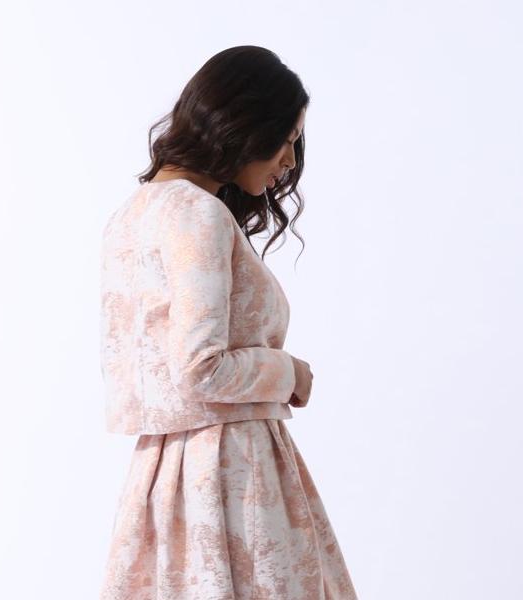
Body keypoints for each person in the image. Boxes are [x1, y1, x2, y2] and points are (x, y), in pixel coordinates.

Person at [98, 45, 358, 600]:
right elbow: (201, 369)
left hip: (163, 478)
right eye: (287, 139)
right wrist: (288, 372)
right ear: (244, 122)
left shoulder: (130, 215)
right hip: (231, 472)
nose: (290, 161)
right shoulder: (197, 214)